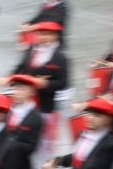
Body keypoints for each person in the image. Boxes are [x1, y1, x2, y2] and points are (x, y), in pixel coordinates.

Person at [8, 20, 68, 158]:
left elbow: (63, 82)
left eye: (47, 34)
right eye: (40, 34)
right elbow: (20, 67)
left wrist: (45, 84)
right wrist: (10, 78)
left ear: (55, 36)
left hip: (45, 106)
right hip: (27, 103)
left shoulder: (60, 57)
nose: (42, 37)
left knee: (44, 143)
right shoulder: (31, 50)